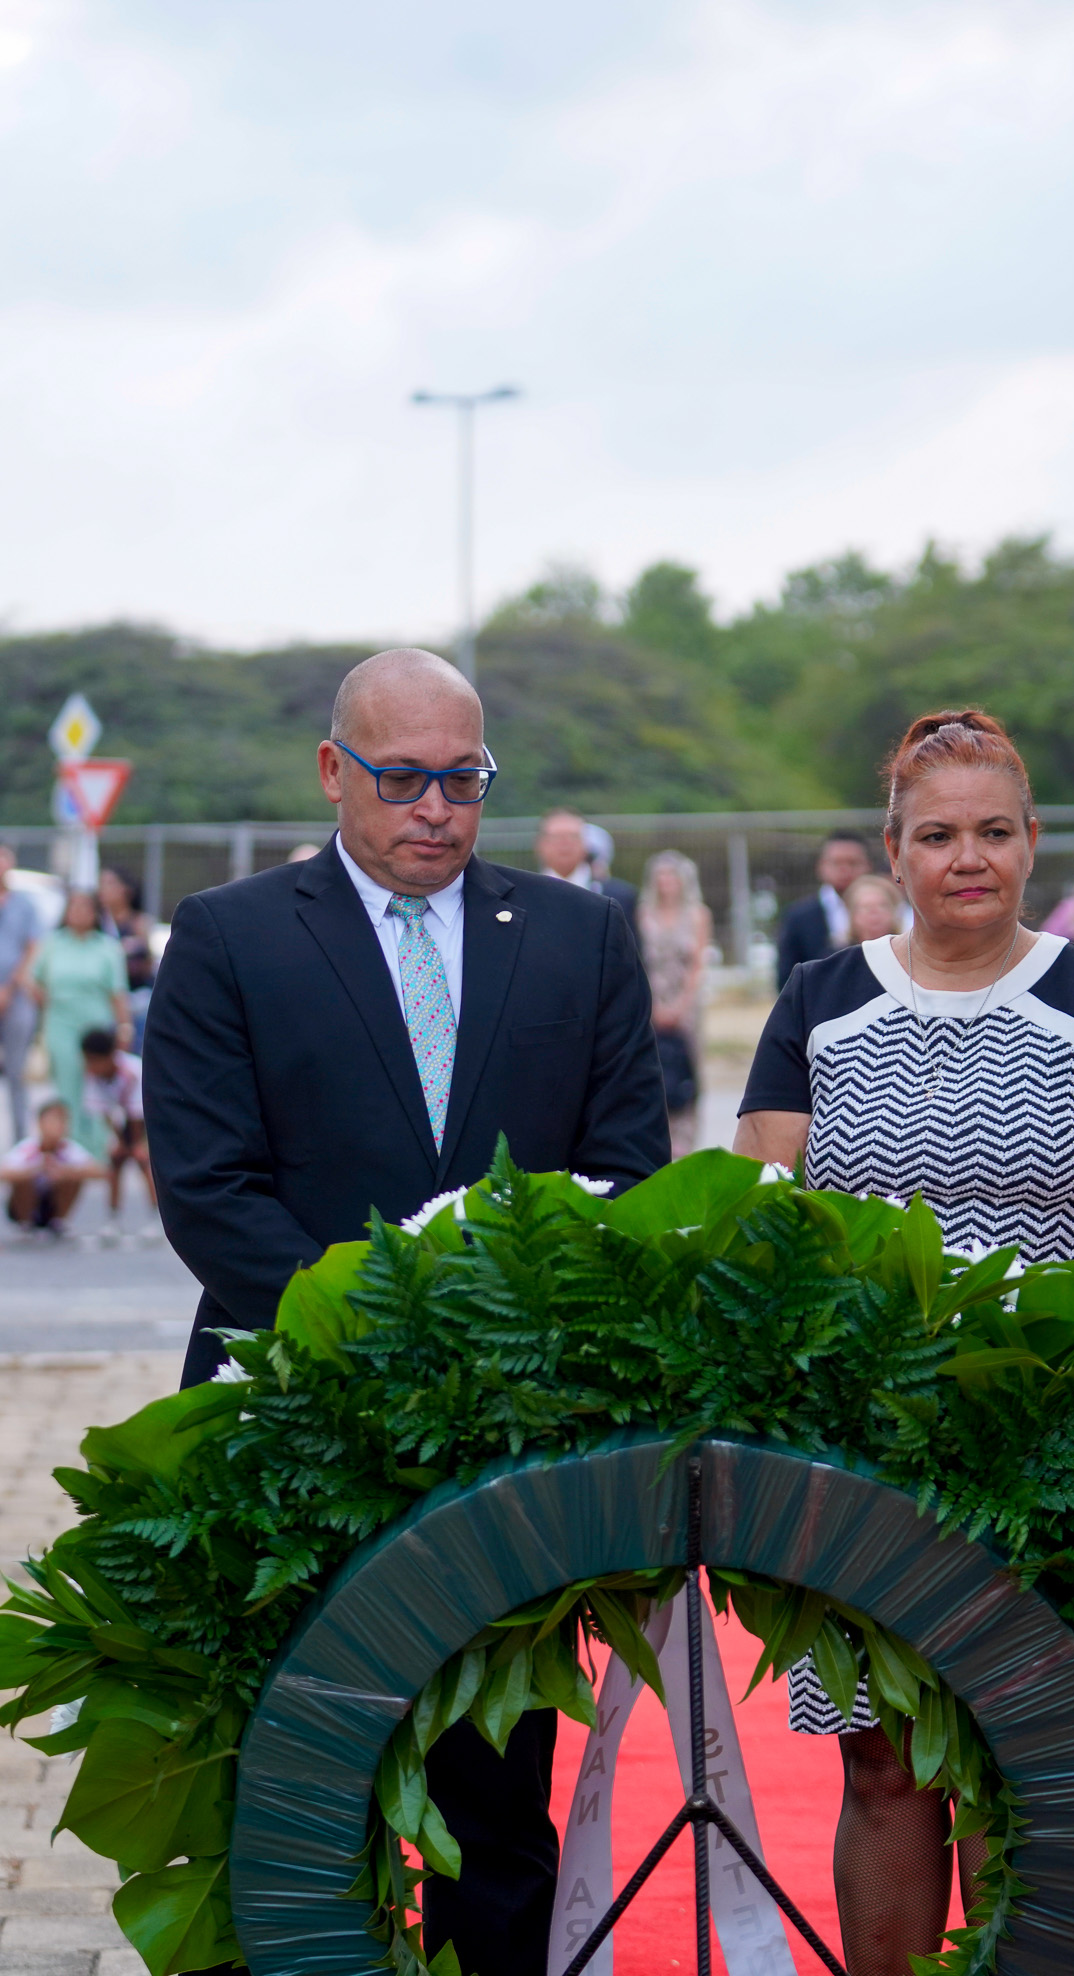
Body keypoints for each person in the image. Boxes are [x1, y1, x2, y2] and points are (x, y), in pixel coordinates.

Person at [143, 647, 670, 1976]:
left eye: (463, 779)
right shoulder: (228, 935)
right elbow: (210, 1190)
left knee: (496, 1782)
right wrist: (376, 1332)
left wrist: (505, 1341)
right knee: (297, 1764)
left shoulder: (578, 934)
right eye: (403, 779)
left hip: (513, 1421)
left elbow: (629, 1174)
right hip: (293, 1407)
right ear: (335, 771)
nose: (435, 808)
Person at [734, 709, 1074, 1974]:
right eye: (937, 834)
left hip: (1043, 1432)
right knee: (883, 1760)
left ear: (1034, 841)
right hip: (864, 1437)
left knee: (1019, 1754)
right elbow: (762, 1224)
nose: (966, 857)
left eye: (993, 830)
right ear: (894, 851)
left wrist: (1038, 1365)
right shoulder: (819, 1001)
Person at [27, 889, 131, 1157]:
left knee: (96, 1089)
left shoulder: (107, 948)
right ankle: (69, 1147)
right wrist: (46, 1003)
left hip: (95, 1025)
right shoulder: (52, 943)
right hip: (60, 1023)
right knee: (67, 1085)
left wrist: (124, 1026)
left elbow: (118, 992)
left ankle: (97, 1149)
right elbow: (32, 978)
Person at [638, 850, 712, 1157]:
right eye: (661, 875)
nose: (667, 882)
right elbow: (638, 960)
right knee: (652, 1071)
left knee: (685, 1074)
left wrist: (682, 1006)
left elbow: (698, 962)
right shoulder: (642, 913)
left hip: (686, 1006)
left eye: (673, 875)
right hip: (650, 1001)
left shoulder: (697, 914)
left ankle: (685, 1147)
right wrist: (652, 1006)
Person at [776, 831, 873, 990]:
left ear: (868, 866)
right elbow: (785, 978)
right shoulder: (799, 916)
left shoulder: (892, 909)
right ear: (821, 866)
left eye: (853, 863)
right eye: (836, 863)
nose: (845, 870)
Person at [0, 1098, 107, 1235]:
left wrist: (64, 1171)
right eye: (52, 1121)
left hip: (52, 1204)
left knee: (72, 1178)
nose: (57, 1126)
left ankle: (58, 1221)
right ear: (40, 1123)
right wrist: (36, 1169)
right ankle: (25, 1222)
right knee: (22, 1180)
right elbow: (3, 1173)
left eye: (61, 1121)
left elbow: (100, 1172)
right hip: (26, 1204)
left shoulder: (69, 1149)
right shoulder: (29, 1148)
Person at [80, 1028, 156, 1218]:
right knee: (115, 1161)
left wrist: (138, 1144)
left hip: (150, 1118)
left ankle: (156, 1215)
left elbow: (138, 1112)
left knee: (144, 1162)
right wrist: (120, 1142)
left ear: (109, 1057)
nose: (90, 1066)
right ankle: (113, 1216)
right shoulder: (93, 1075)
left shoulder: (133, 1071)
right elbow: (104, 1111)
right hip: (125, 1120)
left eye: (93, 1061)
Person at [535, 807, 639, 936]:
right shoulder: (522, 897)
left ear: (586, 843)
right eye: (557, 837)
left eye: (573, 836)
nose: (565, 844)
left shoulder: (619, 898)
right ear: (540, 844)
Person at [0, 846, 42, 1141]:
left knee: (16, 1072)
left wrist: (9, 987)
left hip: (15, 998)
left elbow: (32, 948)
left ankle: (19, 1141)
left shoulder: (24, 903)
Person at [99, 866, 158, 1053]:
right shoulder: (97, 923)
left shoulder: (139, 923)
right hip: (103, 1001)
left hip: (136, 999)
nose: (103, 889)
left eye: (109, 883)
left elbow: (147, 963)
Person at [844, 873, 903, 945]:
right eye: (866, 907)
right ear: (853, 914)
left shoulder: (908, 953)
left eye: (882, 906)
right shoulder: (840, 955)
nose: (874, 912)